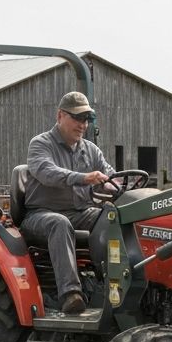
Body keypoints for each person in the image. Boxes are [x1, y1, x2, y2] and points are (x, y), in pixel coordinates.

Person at [24, 91, 115, 314]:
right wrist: (84, 178)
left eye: (86, 119)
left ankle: (112, 283)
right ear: (60, 116)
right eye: (76, 118)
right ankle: (71, 294)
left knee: (112, 217)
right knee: (59, 223)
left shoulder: (91, 150)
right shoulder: (41, 144)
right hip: (41, 215)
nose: (82, 124)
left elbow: (110, 176)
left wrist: (118, 185)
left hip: (81, 212)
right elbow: (47, 173)